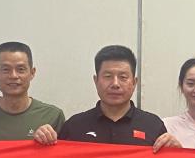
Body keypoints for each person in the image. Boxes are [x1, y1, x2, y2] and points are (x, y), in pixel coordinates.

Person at [46, 45, 180, 151]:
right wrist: (42, 143)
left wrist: (176, 152)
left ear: (134, 82)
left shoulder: (153, 125)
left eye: (123, 77)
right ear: (96, 80)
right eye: (108, 76)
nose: (115, 84)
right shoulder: (74, 126)